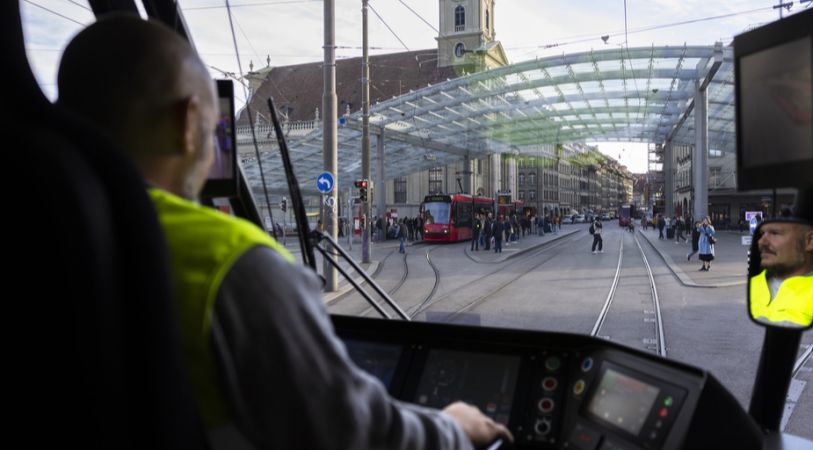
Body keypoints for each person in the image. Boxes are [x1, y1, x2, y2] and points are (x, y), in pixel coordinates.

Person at [57, 16, 511, 450]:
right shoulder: (231, 261)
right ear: (187, 122)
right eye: (215, 124)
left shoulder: (51, 228)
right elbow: (348, 432)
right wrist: (453, 428)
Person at [749, 221, 813, 327]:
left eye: (775, 233)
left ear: (809, 241)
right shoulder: (753, 283)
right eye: (762, 233)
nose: (761, 242)